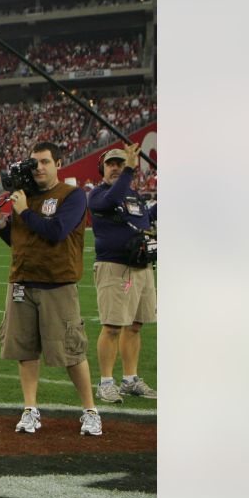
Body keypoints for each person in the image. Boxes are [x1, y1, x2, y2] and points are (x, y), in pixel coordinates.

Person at [0, 141, 103, 436]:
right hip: (22, 282)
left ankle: (90, 410)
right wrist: (0, 221)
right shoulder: (25, 197)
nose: (39, 168)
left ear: (58, 163)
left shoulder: (72, 196)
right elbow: (20, 240)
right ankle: (30, 408)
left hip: (57, 283)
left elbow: (57, 231)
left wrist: (24, 212)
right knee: (25, 350)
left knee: (71, 351)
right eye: (34, 163)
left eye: (45, 161)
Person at [88, 144, 157, 402]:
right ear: (102, 169)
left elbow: (146, 219)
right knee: (113, 326)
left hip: (141, 267)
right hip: (116, 268)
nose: (116, 167)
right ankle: (106, 382)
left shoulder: (133, 196)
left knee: (136, 325)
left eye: (120, 163)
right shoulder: (97, 194)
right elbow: (111, 200)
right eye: (111, 164)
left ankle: (130, 379)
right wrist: (129, 168)